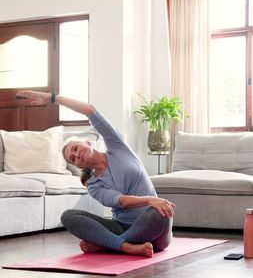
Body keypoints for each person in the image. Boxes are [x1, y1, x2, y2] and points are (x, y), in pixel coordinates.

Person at [16, 90, 175, 258]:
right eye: (73, 158)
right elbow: (122, 202)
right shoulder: (93, 184)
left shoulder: (117, 147)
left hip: (153, 229)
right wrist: (150, 199)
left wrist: (52, 98)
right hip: (121, 226)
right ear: (76, 165)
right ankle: (124, 245)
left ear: (88, 142)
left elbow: (90, 111)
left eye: (76, 148)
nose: (77, 155)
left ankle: (111, 245)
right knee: (69, 216)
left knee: (159, 212)